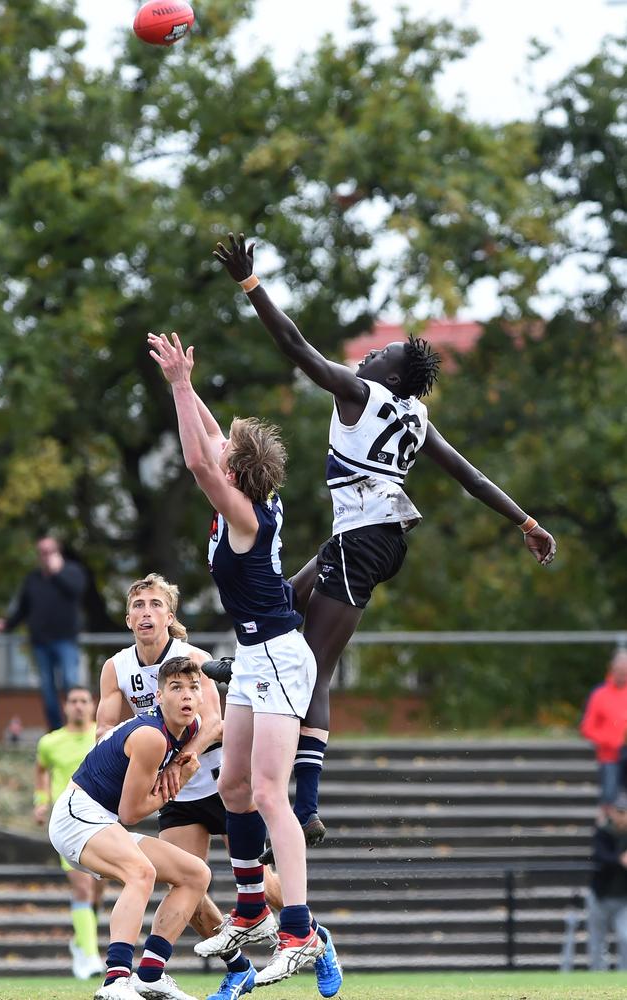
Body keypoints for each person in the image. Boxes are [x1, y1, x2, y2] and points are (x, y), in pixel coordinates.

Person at [213, 232, 558, 856]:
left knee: (311, 663)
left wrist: (250, 285)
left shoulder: (361, 394)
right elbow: (471, 477)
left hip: (366, 537)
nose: (369, 355)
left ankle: (306, 805)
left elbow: (296, 346)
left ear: (389, 375)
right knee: (283, 599)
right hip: (374, 537)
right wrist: (526, 521)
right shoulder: (416, 418)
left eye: (380, 353)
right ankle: (239, 666)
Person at [148, 331, 342, 994]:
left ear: (235, 471)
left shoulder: (245, 515)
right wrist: (189, 380)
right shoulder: (245, 502)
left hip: (283, 656)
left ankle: (300, 932)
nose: (214, 444)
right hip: (254, 654)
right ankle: (253, 909)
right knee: (230, 787)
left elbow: (201, 461)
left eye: (226, 450)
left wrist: (178, 386)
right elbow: (210, 441)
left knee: (264, 791)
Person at [96, 572, 284, 1000]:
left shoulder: (193, 658)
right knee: (186, 883)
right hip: (176, 791)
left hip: (219, 781)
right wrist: (129, 750)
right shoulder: (117, 668)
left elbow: (216, 723)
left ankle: (310, 935)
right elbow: (105, 728)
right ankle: (238, 967)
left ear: (170, 615)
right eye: (139, 606)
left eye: (155, 605)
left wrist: (179, 755)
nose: (147, 613)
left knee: (261, 881)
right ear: (128, 619)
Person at [48, 655, 211, 1000]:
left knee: (195, 874)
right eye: (176, 687)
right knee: (141, 872)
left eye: (193, 688)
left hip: (102, 820)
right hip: (77, 815)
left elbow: (216, 726)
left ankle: (150, 974)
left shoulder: (192, 726)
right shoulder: (151, 736)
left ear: (202, 697)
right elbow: (131, 812)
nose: (186, 695)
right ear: (159, 694)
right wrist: (179, 779)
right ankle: (115, 980)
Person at [35, 685, 105, 980]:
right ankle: (90, 956)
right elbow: (41, 771)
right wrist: (41, 802)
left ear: (93, 705)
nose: (78, 706)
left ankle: (80, 942)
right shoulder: (50, 742)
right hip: (68, 824)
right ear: (65, 707)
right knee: (82, 888)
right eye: (73, 701)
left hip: (103, 820)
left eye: (84, 701)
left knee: (98, 890)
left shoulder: (102, 736)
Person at [0, 534, 87, 731]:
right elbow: (22, 609)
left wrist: (57, 573)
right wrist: (6, 625)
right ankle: (56, 731)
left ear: (58, 553)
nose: (45, 556)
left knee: (70, 683)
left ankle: (76, 728)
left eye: (49, 552)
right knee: (47, 691)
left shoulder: (71, 572)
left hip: (66, 641)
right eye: (42, 553)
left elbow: (77, 591)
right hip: (41, 643)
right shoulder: (33, 579)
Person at [580, 650, 627, 814]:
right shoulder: (600, 695)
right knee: (609, 796)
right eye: (620, 671)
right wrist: (610, 741)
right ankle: (608, 832)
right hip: (610, 755)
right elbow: (587, 728)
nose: (623, 676)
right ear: (612, 670)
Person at [587, 790, 627, 970]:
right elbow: (600, 856)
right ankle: (598, 979)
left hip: (623, 897)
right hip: (601, 895)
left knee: (625, 937)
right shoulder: (603, 832)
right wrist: (620, 860)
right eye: (619, 812)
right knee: (597, 941)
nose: (621, 817)